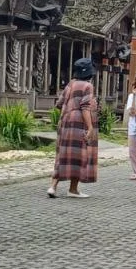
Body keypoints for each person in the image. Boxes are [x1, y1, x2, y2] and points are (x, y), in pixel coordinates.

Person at [49, 58, 98, 198]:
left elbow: (59, 103)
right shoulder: (87, 86)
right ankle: (73, 189)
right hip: (79, 123)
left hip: (65, 122)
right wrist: (90, 127)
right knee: (78, 154)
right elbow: (85, 107)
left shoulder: (71, 84)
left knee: (62, 154)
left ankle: (52, 187)